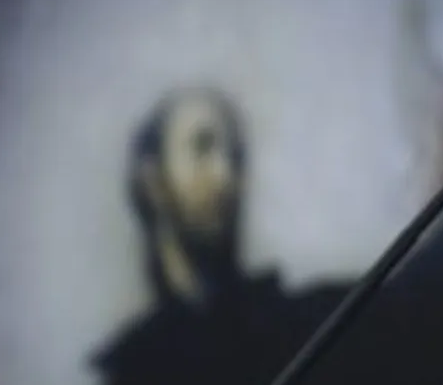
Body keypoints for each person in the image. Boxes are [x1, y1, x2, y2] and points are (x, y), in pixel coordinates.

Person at [91, 85, 352, 385]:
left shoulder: (291, 325)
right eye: (202, 148)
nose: (225, 175)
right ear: (153, 182)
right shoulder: (131, 367)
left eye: (235, 156)